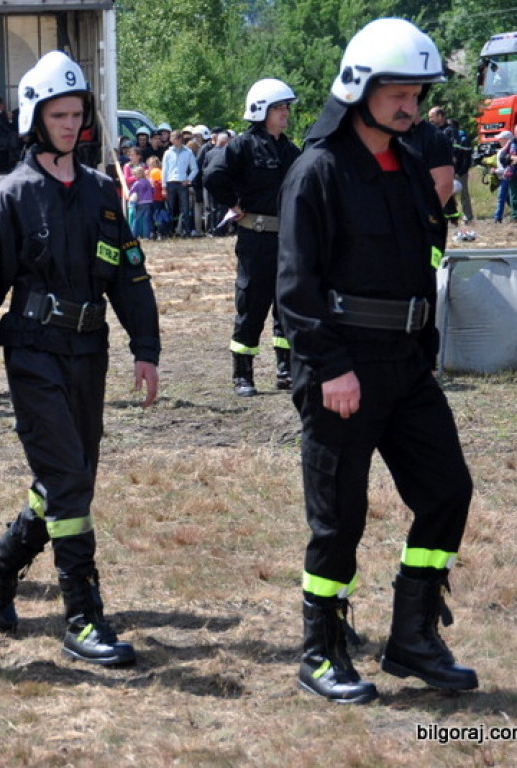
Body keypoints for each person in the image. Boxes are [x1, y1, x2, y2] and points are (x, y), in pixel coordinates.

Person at [278, 17, 479, 705]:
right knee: (340, 517)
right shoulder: (318, 171)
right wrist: (329, 365)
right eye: (397, 92)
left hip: (406, 364)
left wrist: (424, 350)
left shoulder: (413, 167)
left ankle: (413, 636)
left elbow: (425, 260)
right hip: (343, 367)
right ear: (357, 88)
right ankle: (321, 649)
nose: (410, 106)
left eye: (417, 94)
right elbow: (294, 286)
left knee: (447, 491)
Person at [0, 51, 160, 666]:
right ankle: (83, 615)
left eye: (77, 114)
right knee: (69, 481)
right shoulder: (12, 196)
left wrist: (146, 349)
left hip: (89, 352)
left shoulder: (102, 191)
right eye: (58, 115)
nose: (71, 125)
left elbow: (130, 275)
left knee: (72, 479)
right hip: (33, 353)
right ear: (35, 119)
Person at [205, 78, 301, 396]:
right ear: (261, 111)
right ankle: (242, 374)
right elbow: (212, 176)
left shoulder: (290, 150)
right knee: (252, 304)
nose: (286, 113)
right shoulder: (242, 146)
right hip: (256, 239)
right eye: (279, 108)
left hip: (287, 241)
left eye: (286, 108)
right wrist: (233, 203)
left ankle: (286, 369)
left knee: (287, 304)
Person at [161, 129, 198, 237]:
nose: (172, 141)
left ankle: (186, 231)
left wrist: (188, 179)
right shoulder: (168, 153)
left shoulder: (188, 152)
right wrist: (164, 186)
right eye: (171, 139)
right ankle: (169, 231)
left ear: (180, 139)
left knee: (185, 209)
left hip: (182, 182)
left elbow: (195, 169)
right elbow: (164, 170)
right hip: (170, 182)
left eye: (174, 138)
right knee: (170, 208)